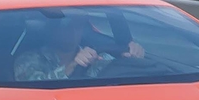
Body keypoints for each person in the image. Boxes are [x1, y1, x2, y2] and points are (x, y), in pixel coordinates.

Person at [11, 11, 146, 81]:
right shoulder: (29, 60)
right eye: (66, 26)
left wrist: (134, 59)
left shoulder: (99, 57)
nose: (72, 31)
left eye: (77, 26)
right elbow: (35, 92)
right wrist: (74, 66)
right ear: (53, 29)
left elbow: (121, 77)